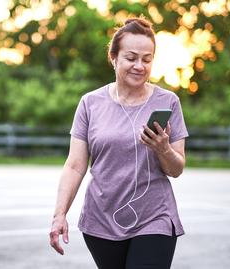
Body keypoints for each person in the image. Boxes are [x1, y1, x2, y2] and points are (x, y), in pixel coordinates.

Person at [49, 17, 188, 269]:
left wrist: (163, 148)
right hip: (101, 219)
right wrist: (60, 214)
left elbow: (176, 169)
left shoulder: (168, 102)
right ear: (114, 58)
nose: (139, 66)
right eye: (131, 57)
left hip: (154, 215)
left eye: (147, 59)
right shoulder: (90, 103)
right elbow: (75, 166)